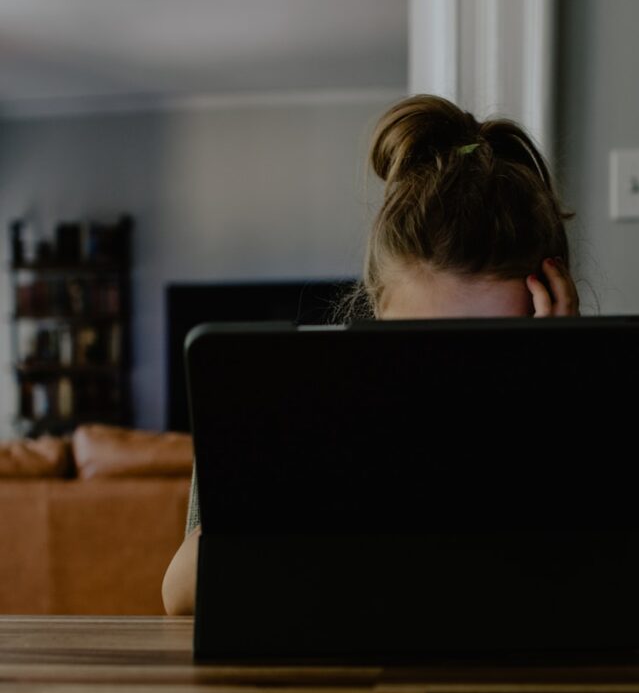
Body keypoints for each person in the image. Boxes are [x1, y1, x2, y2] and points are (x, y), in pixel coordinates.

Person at [161, 93, 579, 615]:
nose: (445, 379)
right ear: (377, 312)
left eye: (487, 346)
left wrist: (559, 380)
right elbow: (179, 594)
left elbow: (585, 588)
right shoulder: (295, 404)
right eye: (419, 346)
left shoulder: (561, 412)